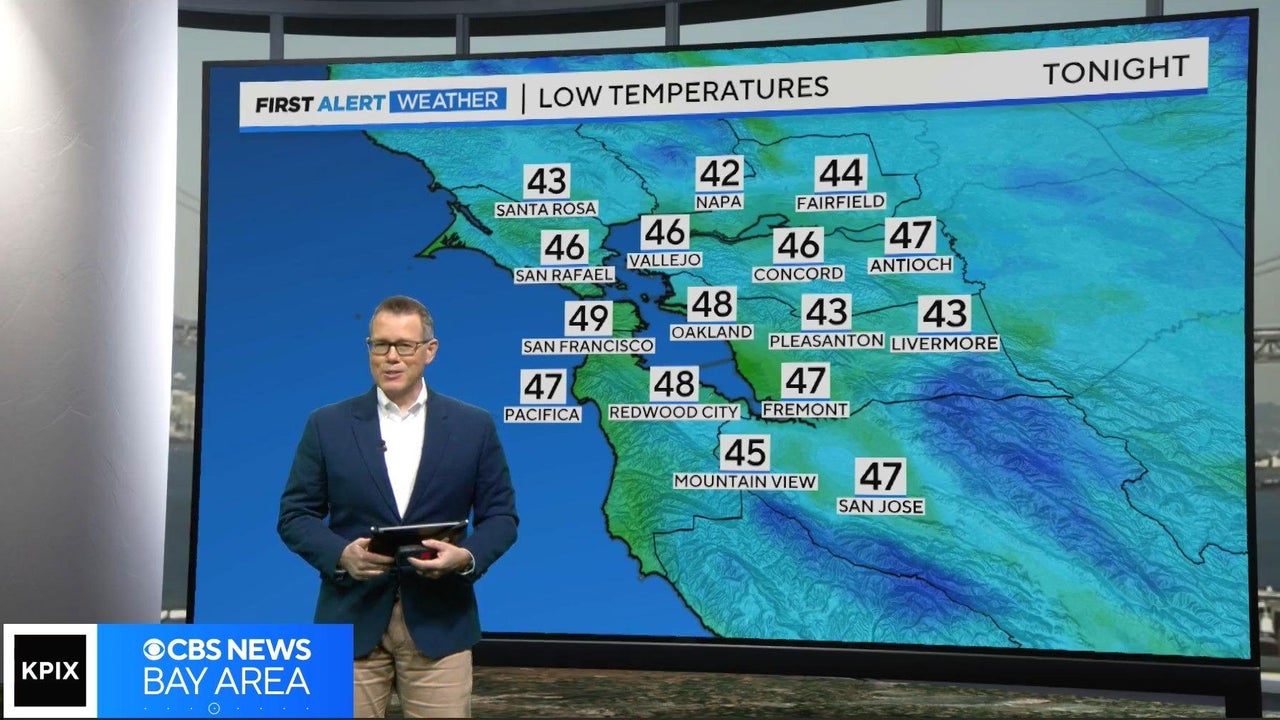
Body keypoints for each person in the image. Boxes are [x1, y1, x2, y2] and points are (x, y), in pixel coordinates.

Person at [278, 295, 518, 718]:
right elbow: (295, 515)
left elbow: (502, 517)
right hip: (350, 622)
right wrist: (341, 554)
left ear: (430, 350)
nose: (391, 357)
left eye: (405, 345)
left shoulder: (473, 426)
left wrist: (465, 558)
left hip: (441, 623)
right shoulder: (327, 425)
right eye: (380, 344)